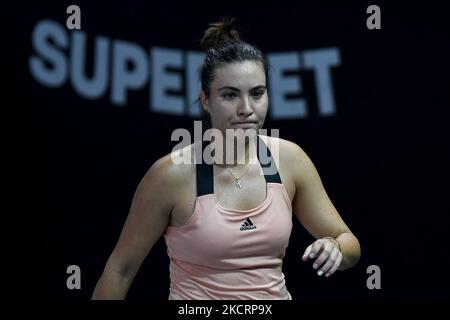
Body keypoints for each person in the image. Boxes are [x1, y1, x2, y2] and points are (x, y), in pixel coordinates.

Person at [92, 18, 361, 300]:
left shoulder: (290, 160)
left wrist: (337, 249)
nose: (247, 109)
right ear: (205, 100)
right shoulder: (171, 175)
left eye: (257, 93)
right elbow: (120, 270)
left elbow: (349, 243)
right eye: (230, 95)